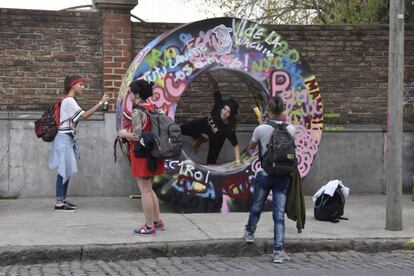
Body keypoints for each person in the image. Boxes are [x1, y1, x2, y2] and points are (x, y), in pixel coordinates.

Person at [243, 95, 296, 263]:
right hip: (283, 175)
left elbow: (251, 147)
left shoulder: (261, 129)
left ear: (269, 109)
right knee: (279, 214)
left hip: (265, 173)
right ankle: (278, 251)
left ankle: (250, 232)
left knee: (257, 205)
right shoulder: (291, 129)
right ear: (282, 111)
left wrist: (261, 127)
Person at [48, 75, 109, 211]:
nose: (83, 87)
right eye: (80, 84)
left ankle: (62, 199)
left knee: (67, 170)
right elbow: (85, 115)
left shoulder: (69, 100)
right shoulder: (69, 101)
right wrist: (101, 102)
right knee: (63, 171)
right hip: (64, 139)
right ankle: (59, 202)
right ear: (72, 85)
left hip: (67, 139)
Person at [117, 79, 165, 236]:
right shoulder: (152, 107)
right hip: (152, 153)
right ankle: (158, 221)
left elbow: (137, 136)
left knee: (144, 190)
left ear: (137, 94)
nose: (128, 94)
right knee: (149, 188)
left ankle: (149, 226)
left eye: (130, 91)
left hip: (141, 154)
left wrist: (124, 134)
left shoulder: (137, 112)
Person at [180, 90, 240, 165]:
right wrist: (211, 78)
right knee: (182, 128)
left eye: (228, 112)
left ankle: (202, 138)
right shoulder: (219, 105)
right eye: (224, 109)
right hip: (204, 124)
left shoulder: (228, 129)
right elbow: (216, 90)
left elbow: (235, 145)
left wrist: (238, 161)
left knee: (211, 161)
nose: (224, 113)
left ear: (231, 115)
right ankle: (200, 137)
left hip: (216, 138)